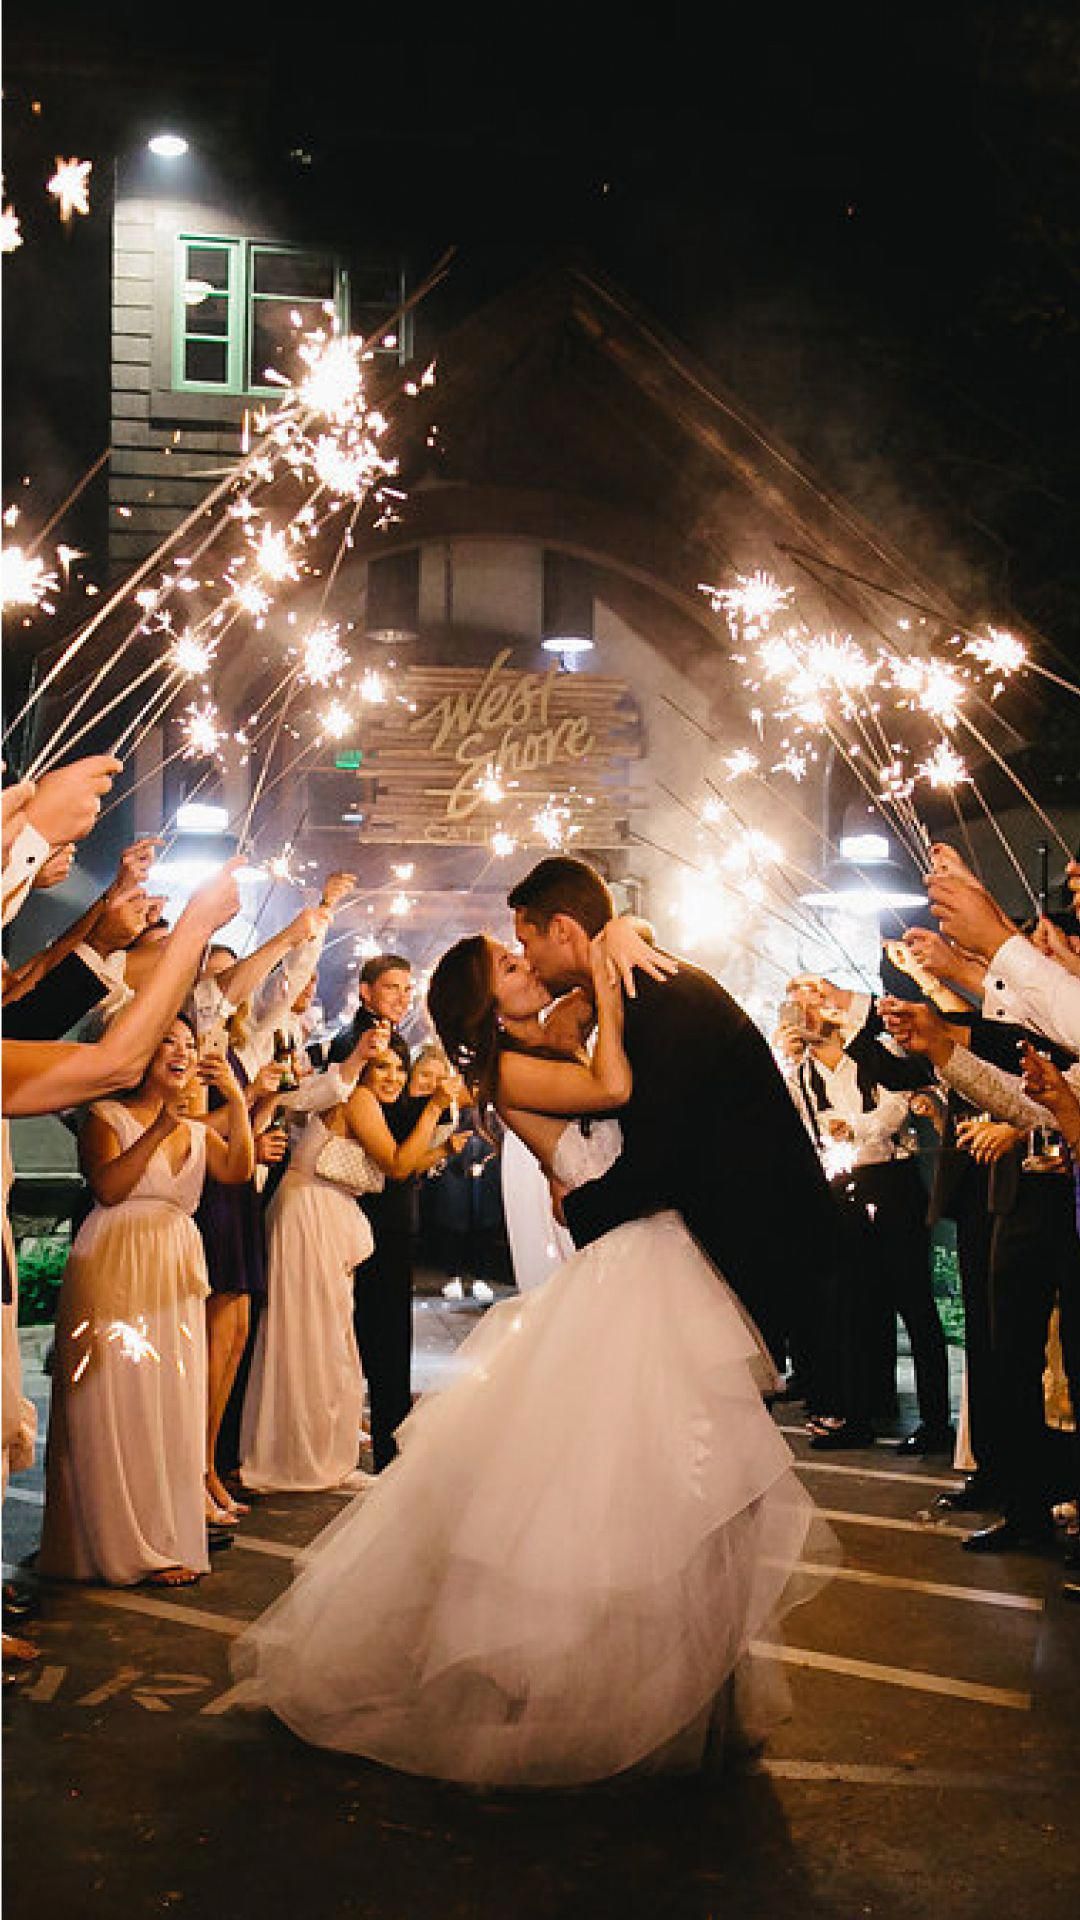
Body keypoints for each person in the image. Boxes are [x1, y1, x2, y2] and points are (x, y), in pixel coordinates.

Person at [229, 914, 829, 1787]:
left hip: (653, 1255)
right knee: (630, 1487)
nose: (524, 966)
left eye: (522, 952)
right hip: (632, 1267)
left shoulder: (540, 1046)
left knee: (677, 1480)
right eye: (508, 964)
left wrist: (624, 932)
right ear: (490, 1004)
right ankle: (625, 1684)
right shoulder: (517, 1070)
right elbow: (617, 1084)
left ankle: (690, 1683)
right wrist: (608, 966)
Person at [509, 858, 839, 1381]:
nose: (528, 961)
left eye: (527, 944)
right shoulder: (628, 990)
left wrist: (579, 1208)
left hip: (762, 1237)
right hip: (729, 1237)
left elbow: (663, 1150)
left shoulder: (655, 993)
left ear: (563, 930)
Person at [38, 1017, 254, 1588]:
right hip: (115, 1261)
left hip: (173, 1268)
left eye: (188, 1044)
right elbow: (109, 1188)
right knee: (113, 1401)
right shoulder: (105, 1118)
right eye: (168, 1041)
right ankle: (113, 1543)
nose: (181, 1052)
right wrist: (159, 1129)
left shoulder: (200, 1131)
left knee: (166, 1401)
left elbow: (241, 1168)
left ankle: (157, 1536)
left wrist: (235, 1099)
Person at [237, 1040, 456, 1494]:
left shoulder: (365, 1101)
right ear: (364, 1070)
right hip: (309, 1217)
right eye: (383, 1067)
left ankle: (312, 1451)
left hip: (324, 1217)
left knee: (325, 1338)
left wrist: (443, 1147)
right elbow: (396, 1164)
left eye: (399, 1067)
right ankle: (301, 1458)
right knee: (310, 1339)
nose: (393, 1077)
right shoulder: (357, 1099)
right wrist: (434, 1109)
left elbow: (403, 1162)